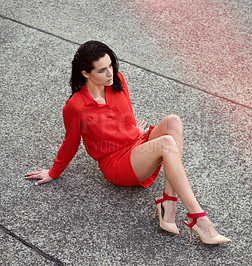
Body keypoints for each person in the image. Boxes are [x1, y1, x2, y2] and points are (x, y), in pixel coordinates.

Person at [25, 41, 230, 245]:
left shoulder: (117, 81)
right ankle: (198, 219)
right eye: (102, 70)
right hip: (116, 163)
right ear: (86, 73)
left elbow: (125, 115)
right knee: (167, 143)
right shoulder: (75, 106)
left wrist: (132, 131)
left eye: (111, 66)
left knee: (173, 121)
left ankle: (168, 202)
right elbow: (70, 142)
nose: (110, 73)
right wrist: (53, 173)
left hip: (136, 144)